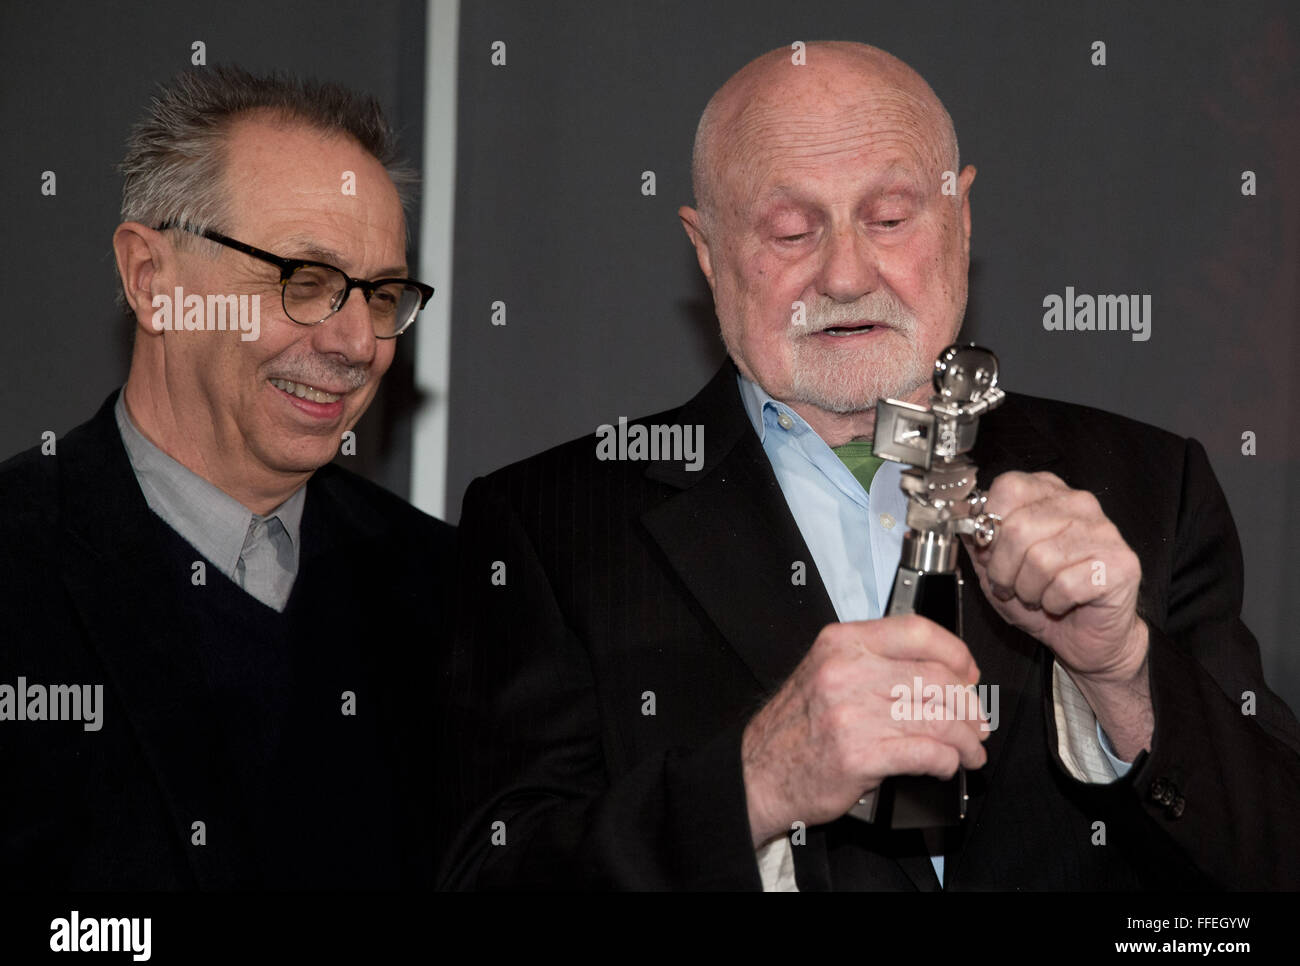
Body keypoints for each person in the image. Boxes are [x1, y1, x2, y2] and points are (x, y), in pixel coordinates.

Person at [438, 41, 1300, 890]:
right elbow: (494, 874)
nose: (846, 274)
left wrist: (1125, 677)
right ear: (706, 251)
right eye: (789, 229)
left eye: (889, 219)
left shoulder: (1148, 484)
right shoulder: (550, 527)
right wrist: (754, 787)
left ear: (961, 221)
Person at [0, 66, 452, 889]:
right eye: (305, 282)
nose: (357, 343)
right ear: (151, 280)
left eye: (382, 295)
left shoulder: (450, 593)